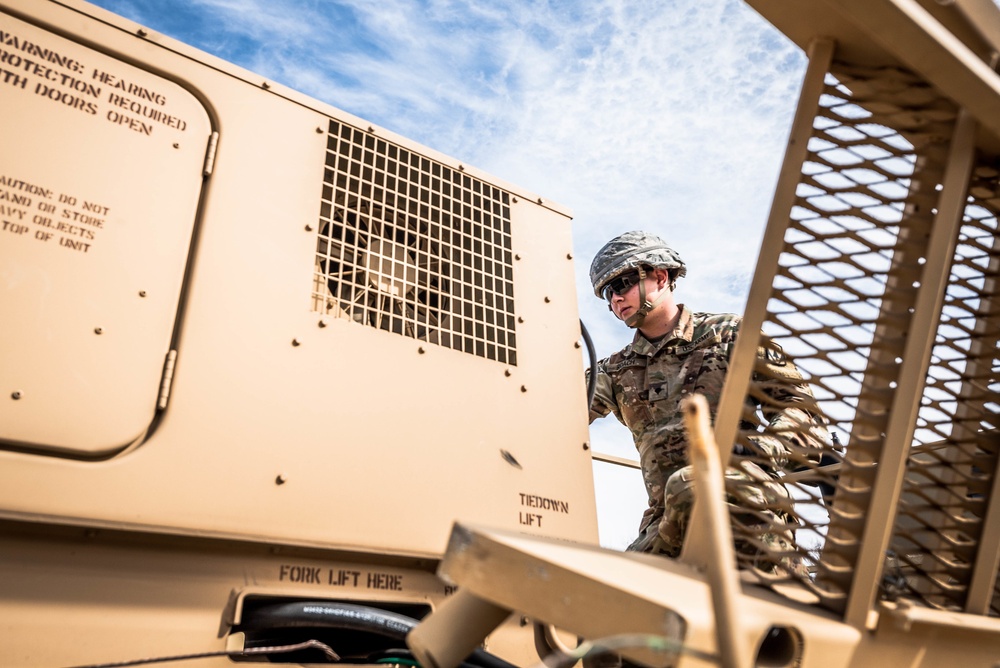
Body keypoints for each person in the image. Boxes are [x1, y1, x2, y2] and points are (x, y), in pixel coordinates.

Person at [587, 230, 825, 570]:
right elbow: (558, 406)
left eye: (622, 283)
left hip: (746, 506)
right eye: (608, 293)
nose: (615, 299)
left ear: (660, 275)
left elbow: (802, 412)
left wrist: (760, 450)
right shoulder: (615, 369)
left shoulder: (731, 335)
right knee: (601, 601)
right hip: (669, 522)